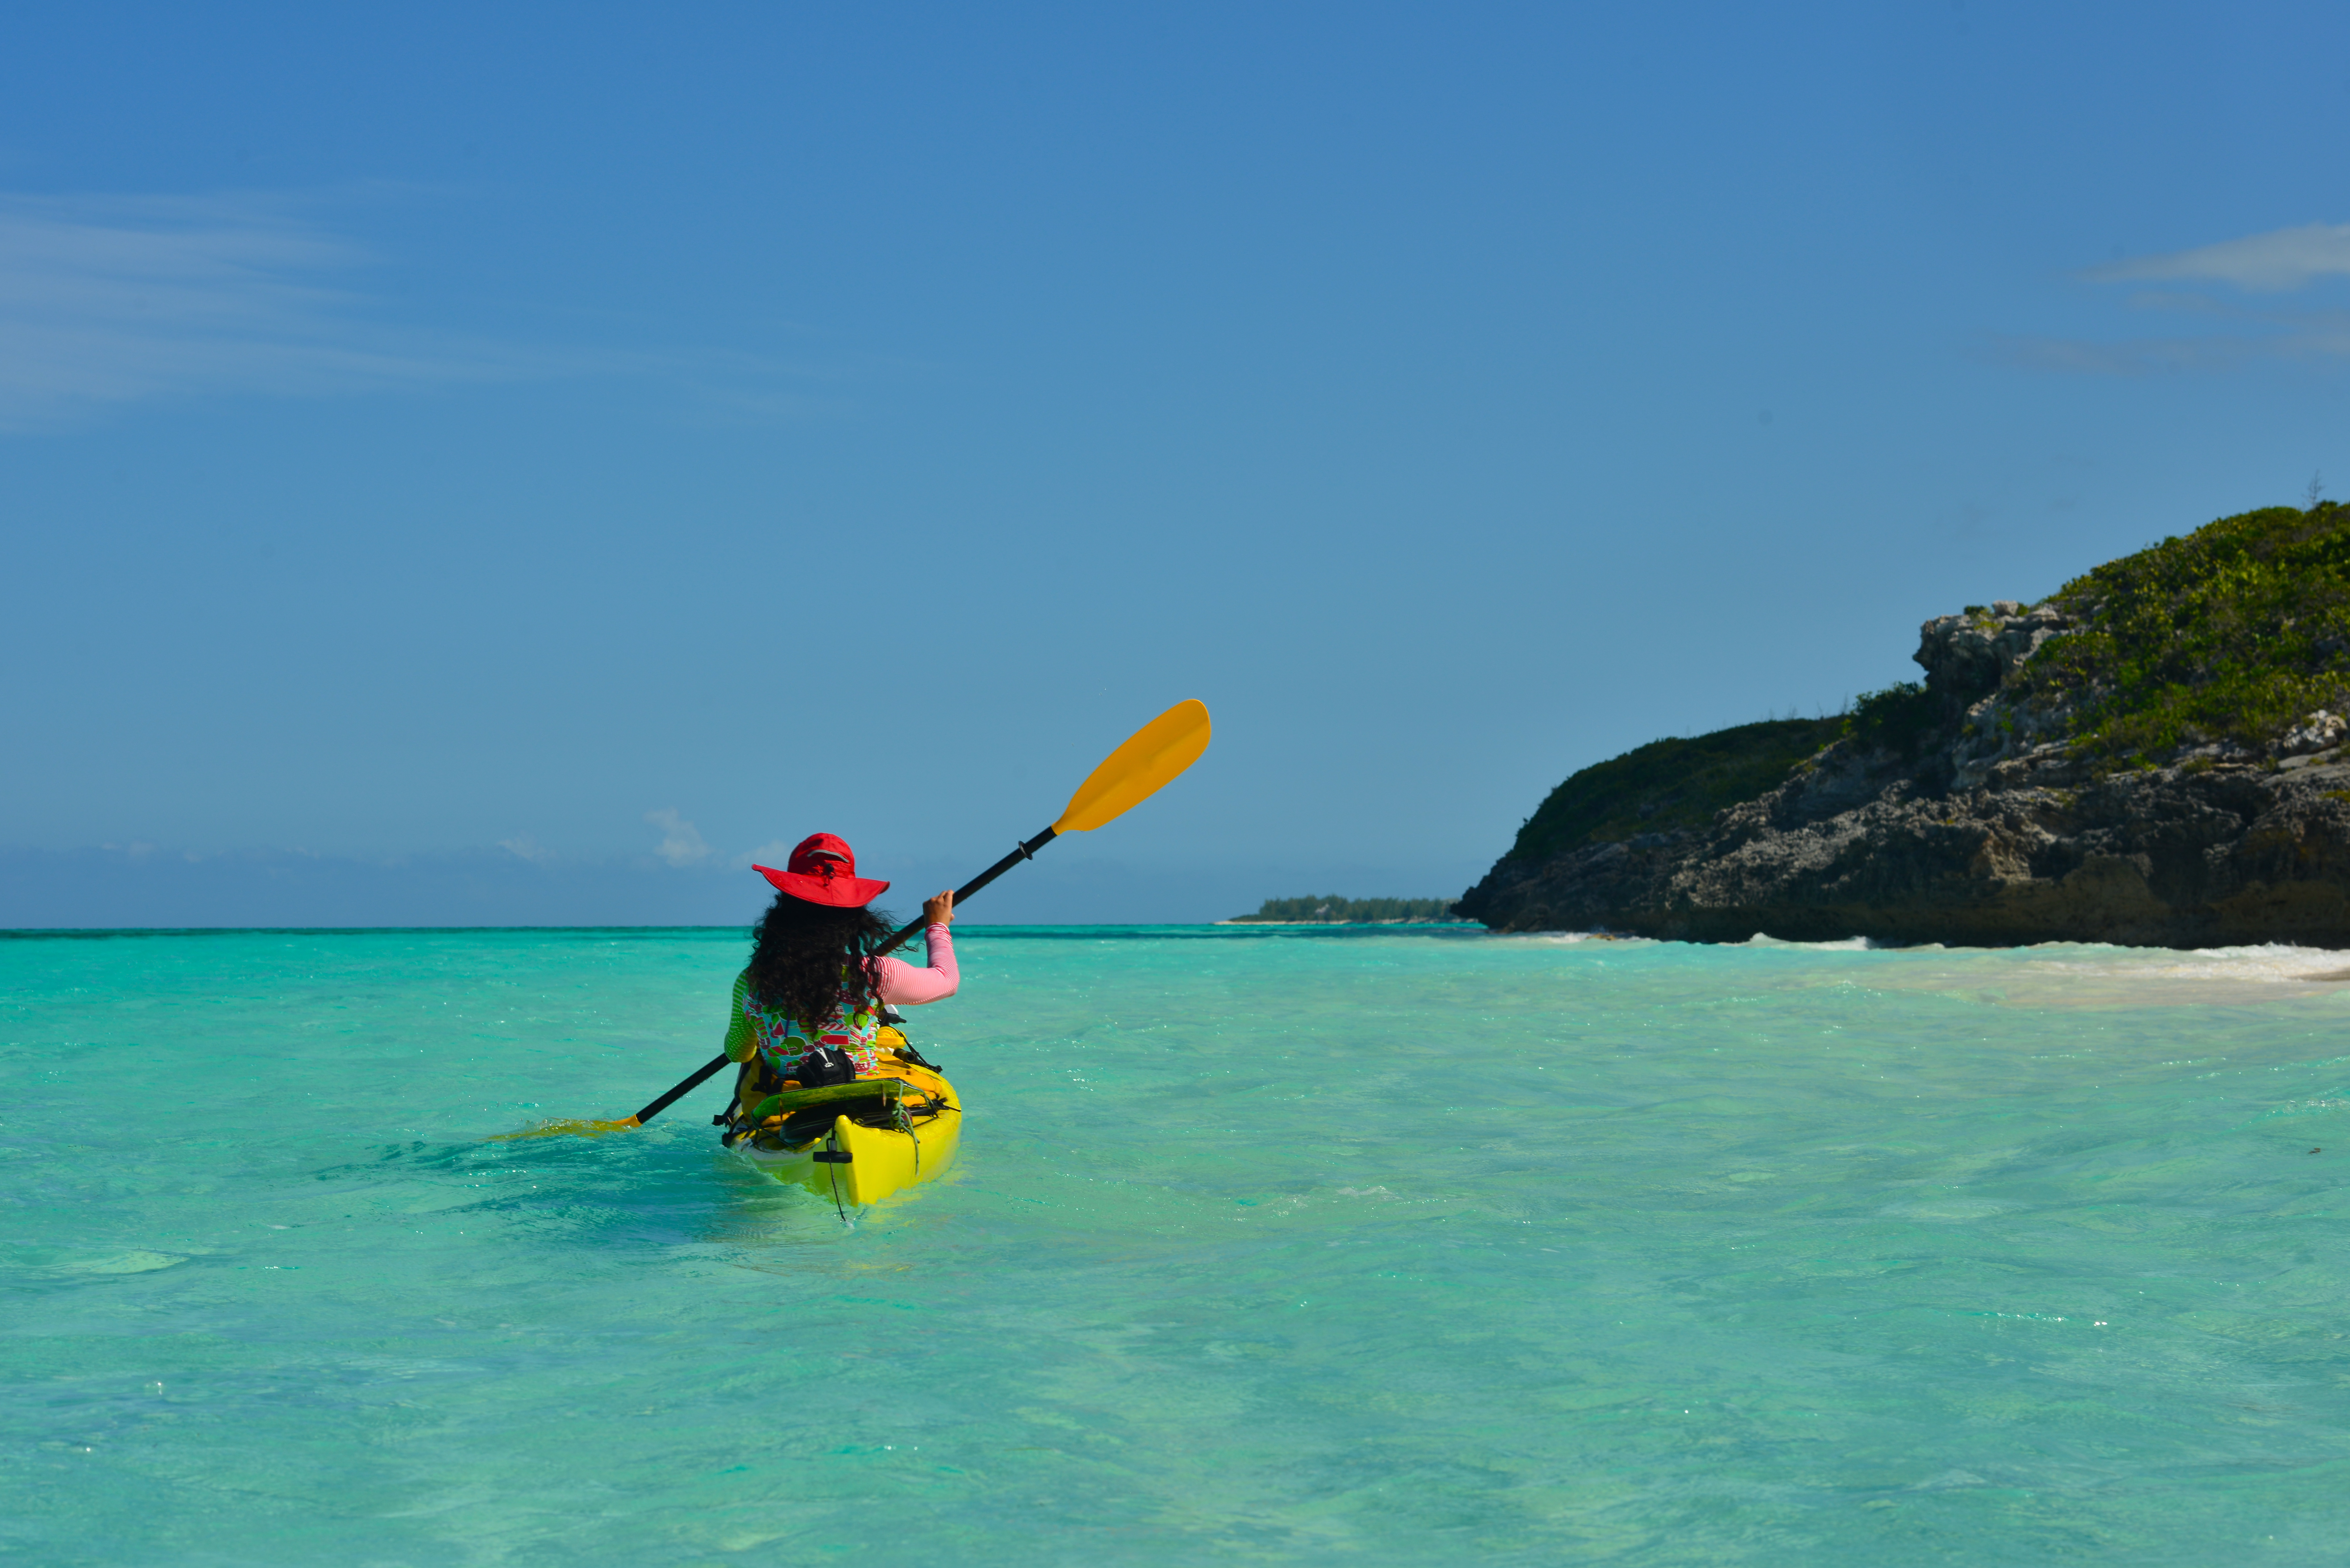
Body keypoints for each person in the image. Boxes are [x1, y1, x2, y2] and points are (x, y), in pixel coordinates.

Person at [721, 834, 957, 1126]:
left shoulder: (752, 982)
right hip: (861, 1098)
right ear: (854, 914)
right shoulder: (875, 975)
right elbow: (947, 981)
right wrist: (937, 926)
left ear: (783, 911)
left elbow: (737, 1052)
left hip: (785, 1106)